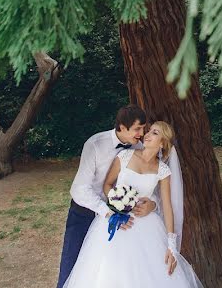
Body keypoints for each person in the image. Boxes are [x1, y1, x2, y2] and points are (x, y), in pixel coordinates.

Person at [62, 121, 204, 288]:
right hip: (116, 221)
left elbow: (167, 206)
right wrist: (117, 204)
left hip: (146, 228)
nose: (148, 135)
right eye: (149, 131)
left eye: (155, 133)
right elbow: (107, 185)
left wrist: (171, 245)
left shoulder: (163, 171)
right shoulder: (125, 156)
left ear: (163, 144)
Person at [56, 105, 157, 288]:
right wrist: (109, 213)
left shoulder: (140, 147)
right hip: (86, 213)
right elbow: (80, 189)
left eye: (143, 128)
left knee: (110, 272)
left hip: (124, 217)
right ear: (122, 127)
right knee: (71, 266)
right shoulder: (95, 144)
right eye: (137, 129)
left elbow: (151, 181)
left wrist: (153, 205)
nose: (142, 133)